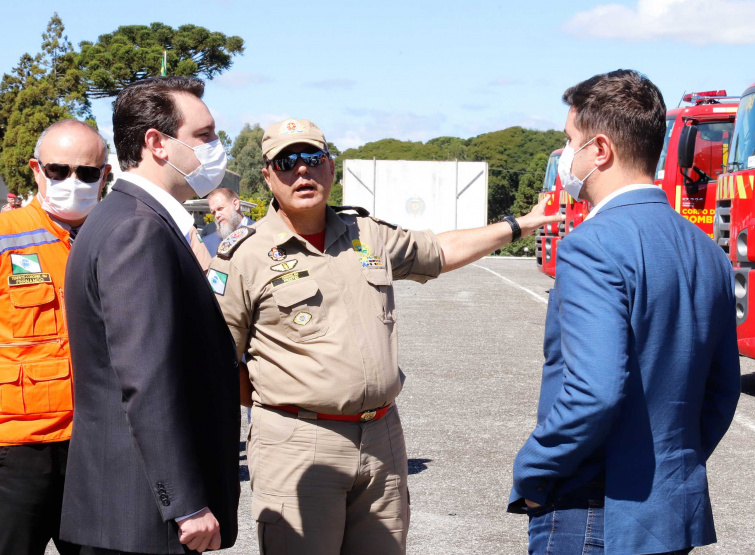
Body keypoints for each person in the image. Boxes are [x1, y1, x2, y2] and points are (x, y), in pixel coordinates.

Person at [207, 117, 561, 555]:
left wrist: (519, 225)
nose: (302, 171)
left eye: (312, 158)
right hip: (298, 445)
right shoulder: (244, 254)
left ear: (330, 167)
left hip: (382, 439)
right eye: (286, 162)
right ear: (267, 176)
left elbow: (438, 250)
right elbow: (216, 361)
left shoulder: (365, 234)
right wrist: (279, 403)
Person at [508, 70, 741, 555]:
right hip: (669, 508)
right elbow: (721, 392)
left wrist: (533, 470)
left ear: (600, 150)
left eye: (570, 142)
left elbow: (594, 390)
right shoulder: (707, 250)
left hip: (593, 508)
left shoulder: (591, 246)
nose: (566, 157)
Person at [60, 76, 240, 555]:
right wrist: (184, 503)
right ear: (157, 143)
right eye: (204, 135)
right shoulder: (137, 230)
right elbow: (146, 378)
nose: (215, 148)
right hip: (143, 520)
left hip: (129, 513)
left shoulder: (123, 217)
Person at [0, 119, 109, 555]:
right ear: (35, 169)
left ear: (104, 174)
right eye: (59, 170)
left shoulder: (122, 236)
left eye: (86, 173)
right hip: (18, 451)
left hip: (98, 446)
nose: (72, 181)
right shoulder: (5, 237)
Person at [202, 187, 254, 256]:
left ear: (235, 204)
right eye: (213, 212)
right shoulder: (207, 244)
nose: (217, 215)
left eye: (220, 208)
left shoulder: (261, 231)